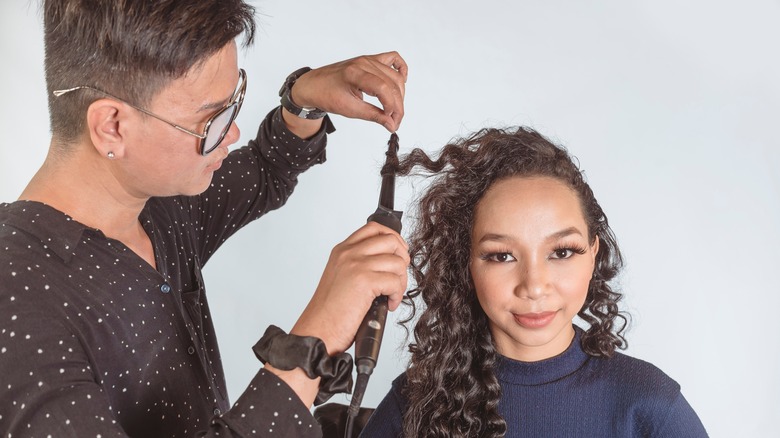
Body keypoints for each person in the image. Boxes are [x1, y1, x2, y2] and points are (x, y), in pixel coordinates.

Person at [0, 1, 410, 437]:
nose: (231, 133)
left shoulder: (157, 206)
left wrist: (302, 101)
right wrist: (311, 342)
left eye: (235, 101)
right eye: (211, 119)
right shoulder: (16, 305)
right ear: (112, 126)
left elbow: (268, 169)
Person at [360, 127, 709, 437]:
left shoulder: (650, 405)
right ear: (465, 264)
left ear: (592, 254)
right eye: (501, 255)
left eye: (561, 252)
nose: (534, 286)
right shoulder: (414, 402)